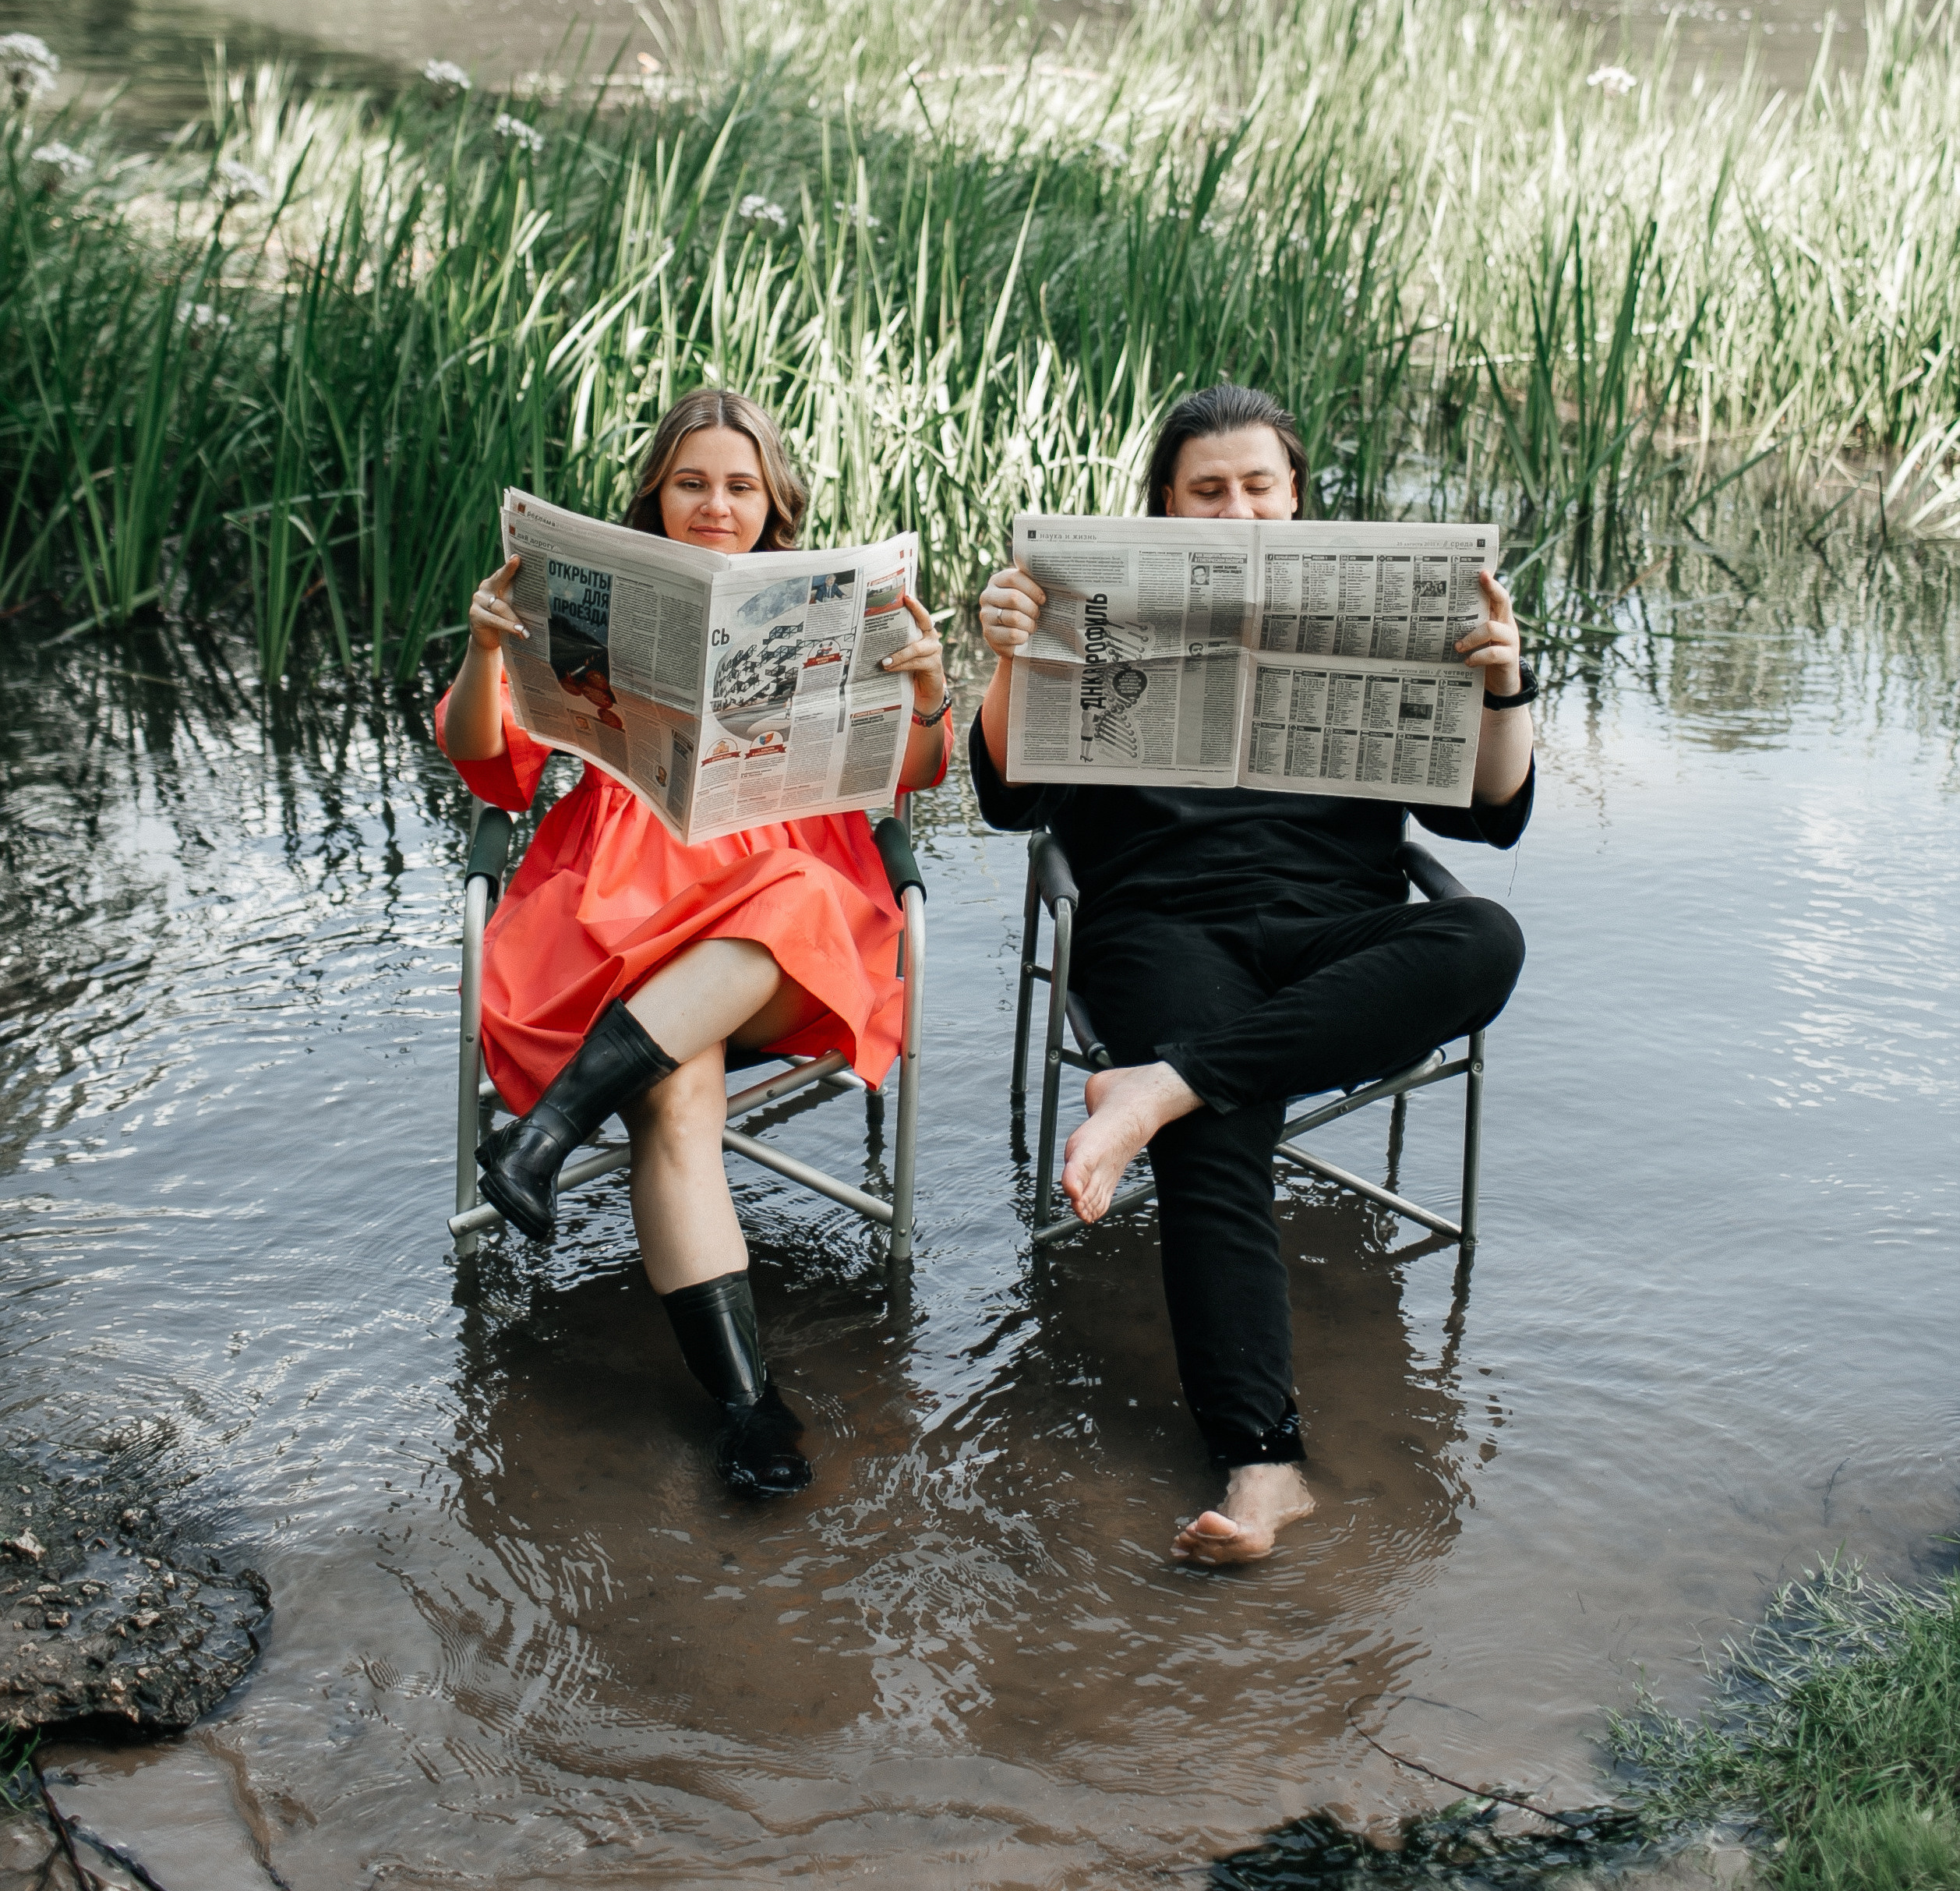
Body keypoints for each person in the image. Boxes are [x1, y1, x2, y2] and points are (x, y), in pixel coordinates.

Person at [969, 383, 1534, 1570]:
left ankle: (1159, 1088)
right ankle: (1264, 1461)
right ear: (1166, 509)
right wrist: (1008, 660)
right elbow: (1008, 796)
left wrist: (1501, 685)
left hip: (1339, 933)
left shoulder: (1382, 615)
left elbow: (1496, 817)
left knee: (1486, 936)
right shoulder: (1103, 607)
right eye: (1207, 492)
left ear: (1297, 498)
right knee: (1216, 1134)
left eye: (1258, 488)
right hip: (1165, 929)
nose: (1236, 513)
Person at [436, 387, 952, 1500]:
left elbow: (910, 779)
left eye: (739, 485)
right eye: (691, 482)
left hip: (787, 908)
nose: (715, 504)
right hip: (620, 899)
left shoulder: (843, 604)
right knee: (678, 1099)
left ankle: (548, 1132)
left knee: (796, 899)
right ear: (656, 496)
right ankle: (748, 1407)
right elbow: (489, 768)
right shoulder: (590, 599)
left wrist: (927, 687)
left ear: (774, 503)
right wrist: (486, 651)